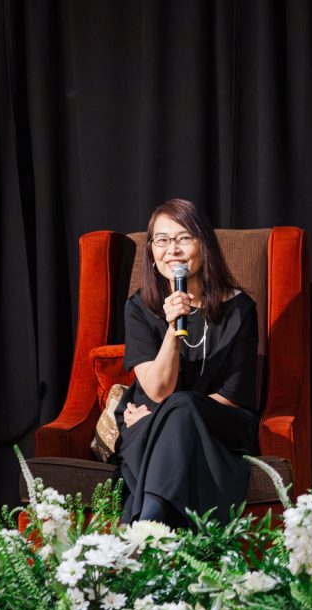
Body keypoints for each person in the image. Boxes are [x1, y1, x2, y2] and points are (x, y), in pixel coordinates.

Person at [115, 198, 259, 527]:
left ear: (203, 244)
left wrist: (165, 416)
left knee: (179, 408)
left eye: (183, 238)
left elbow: (232, 395)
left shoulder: (240, 310)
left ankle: (140, 532)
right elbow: (157, 388)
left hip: (220, 421)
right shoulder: (138, 308)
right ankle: (155, 530)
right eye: (162, 240)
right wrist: (171, 329)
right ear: (152, 252)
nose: (173, 250)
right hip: (149, 419)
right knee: (174, 411)